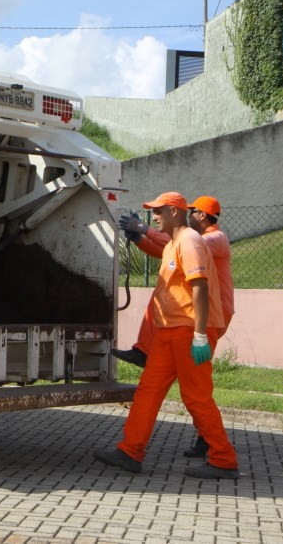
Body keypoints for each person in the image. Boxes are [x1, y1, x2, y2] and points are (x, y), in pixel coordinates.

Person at [94, 192, 239, 479]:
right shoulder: (175, 243)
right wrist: (140, 238)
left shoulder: (191, 241)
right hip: (167, 331)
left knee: (196, 396)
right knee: (148, 391)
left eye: (158, 211)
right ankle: (130, 451)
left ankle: (223, 459)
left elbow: (200, 287)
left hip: (188, 330)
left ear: (174, 211)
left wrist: (200, 335)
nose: (154, 216)